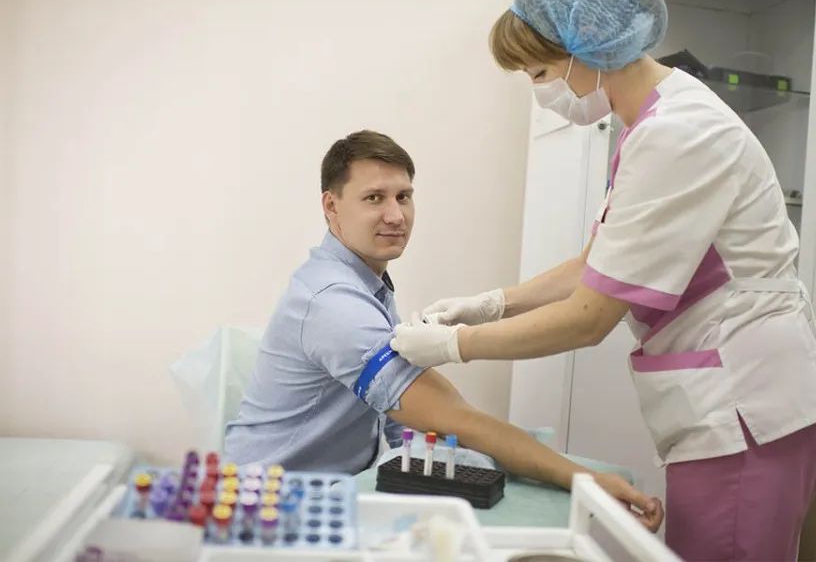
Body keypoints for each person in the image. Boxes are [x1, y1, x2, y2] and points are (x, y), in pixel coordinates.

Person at [389, 0, 816, 561]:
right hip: (739, 404)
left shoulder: (678, 133)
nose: (541, 92)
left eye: (540, 73)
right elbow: (597, 264)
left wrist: (455, 345)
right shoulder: (653, 123)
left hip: (749, 407)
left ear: (587, 50)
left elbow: (589, 317)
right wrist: (492, 303)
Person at [222, 129, 664, 532]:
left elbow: (403, 419)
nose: (395, 215)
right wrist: (583, 479)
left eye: (404, 196)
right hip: (269, 514)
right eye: (374, 198)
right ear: (331, 206)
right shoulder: (333, 304)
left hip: (328, 489)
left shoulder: (363, 280)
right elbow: (451, 416)